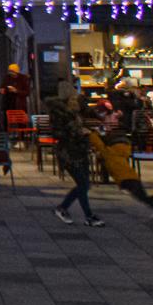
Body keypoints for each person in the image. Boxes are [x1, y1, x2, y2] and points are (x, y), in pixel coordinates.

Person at [51, 91, 100, 227]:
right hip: (69, 154)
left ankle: (70, 210)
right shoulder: (64, 117)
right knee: (83, 184)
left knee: (84, 185)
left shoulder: (76, 115)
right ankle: (84, 214)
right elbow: (61, 134)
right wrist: (79, 132)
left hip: (80, 152)